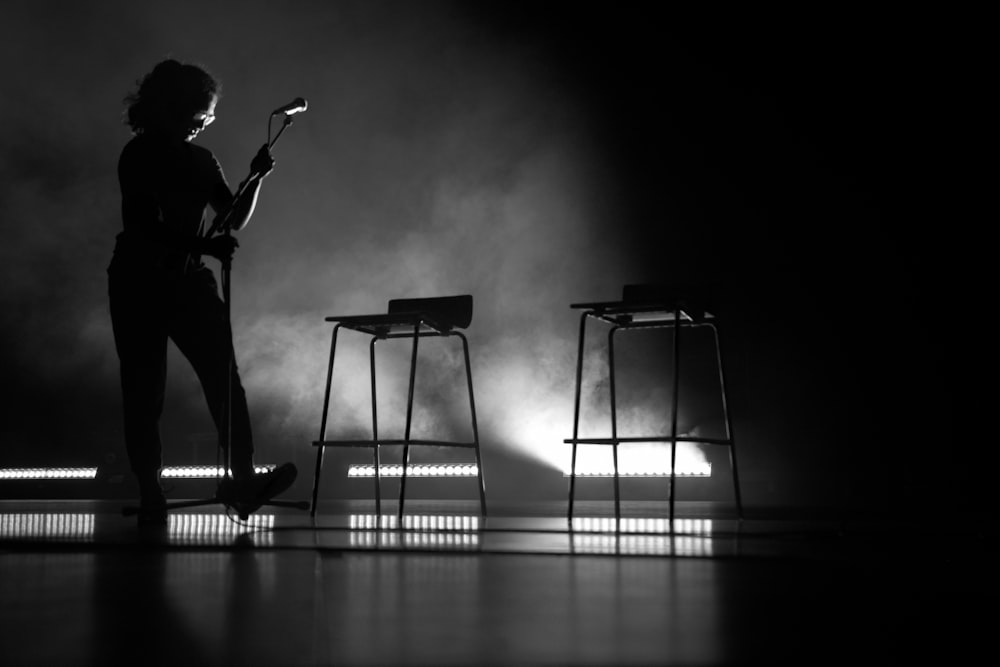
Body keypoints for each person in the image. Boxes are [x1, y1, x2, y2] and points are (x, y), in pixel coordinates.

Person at [109, 59, 296, 525]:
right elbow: (143, 225)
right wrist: (202, 245)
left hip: (189, 279)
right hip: (139, 281)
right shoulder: (139, 156)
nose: (203, 124)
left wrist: (256, 181)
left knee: (223, 377)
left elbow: (230, 216)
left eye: (207, 118)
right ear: (170, 109)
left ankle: (243, 478)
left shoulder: (201, 158)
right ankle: (151, 490)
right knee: (144, 387)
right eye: (198, 115)